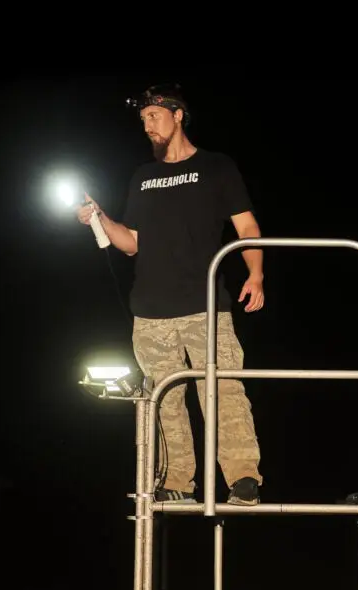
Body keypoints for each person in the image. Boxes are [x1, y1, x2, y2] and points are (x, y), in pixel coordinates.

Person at [77, 83, 263, 505]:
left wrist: (256, 274)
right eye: (142, 119)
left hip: (204, 306)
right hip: (151, 312)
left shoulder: (216, 166)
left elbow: (246, 226)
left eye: (154, 115)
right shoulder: (143, 178)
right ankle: (177, 480)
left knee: (223, 390)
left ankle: (243, 478)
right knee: (163, 400)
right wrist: (99, 217)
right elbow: (131, 243)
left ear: (178, 115)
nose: (148, 125)